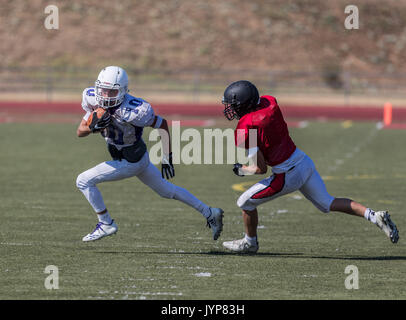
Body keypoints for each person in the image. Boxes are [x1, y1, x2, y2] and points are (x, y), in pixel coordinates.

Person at [221, 80, 399, 253]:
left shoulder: (247, 127)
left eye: (234, 105)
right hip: (303, 160)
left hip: (287, 175)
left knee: (245, 202)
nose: (232, 109)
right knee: (327, 202)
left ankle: (250, 243)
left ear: (244, 105)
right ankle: (374, 216)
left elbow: (260, 169)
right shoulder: (269, 103)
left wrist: (242, 170)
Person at [76, 66, 223, 242]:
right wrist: (94, 126)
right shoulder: (92, 99)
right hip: (136, 156)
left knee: (83, 180)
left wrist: (167, 155)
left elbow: (162, 124)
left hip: (131, 160)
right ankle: (210, 212)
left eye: (112, 91)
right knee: (167, 191)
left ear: (122, 91)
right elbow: (80, 131)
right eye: (103, 90)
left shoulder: (135, 110)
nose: (106, 96)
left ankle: (106, 223)